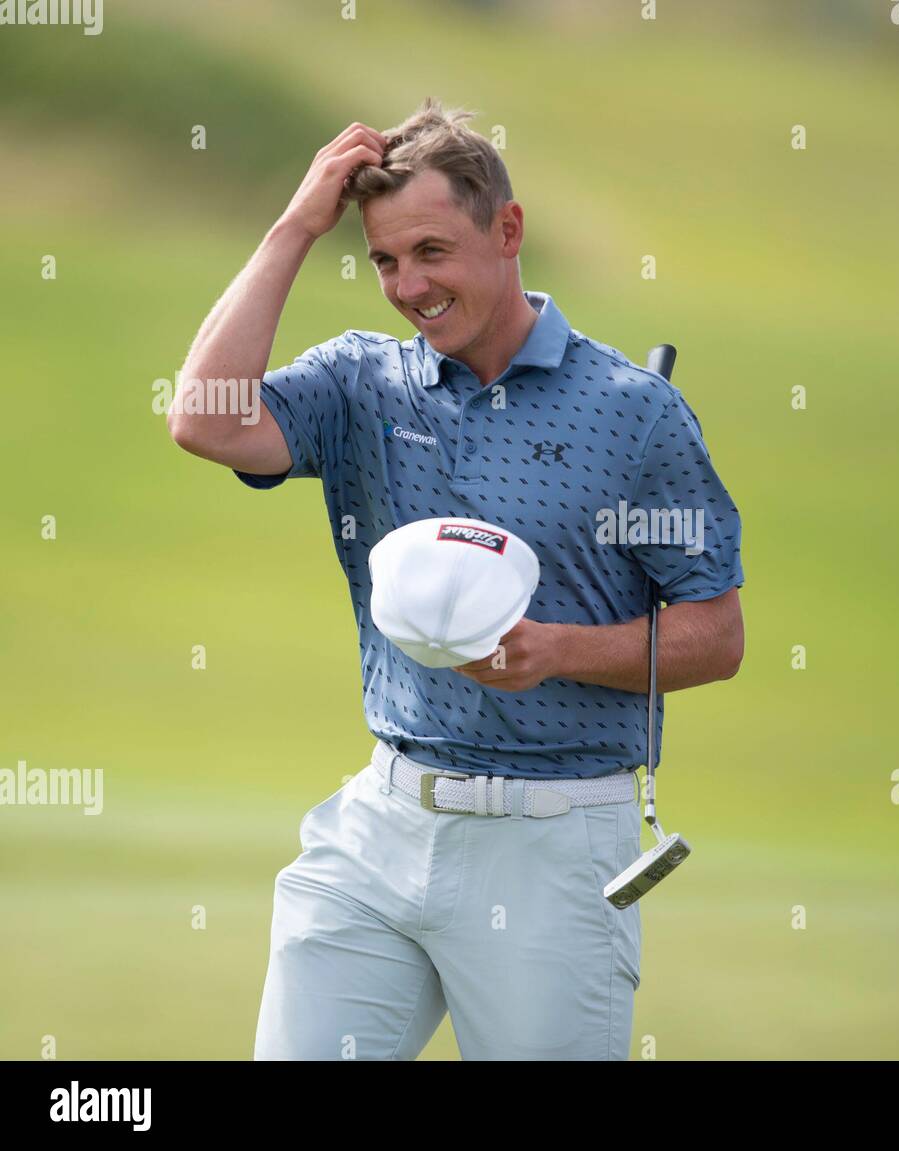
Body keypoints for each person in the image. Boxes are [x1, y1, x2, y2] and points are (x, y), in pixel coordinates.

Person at [166, 98, 745, 1060]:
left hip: (556, 844)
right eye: (385, 260)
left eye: (431, 251)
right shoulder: (362, 383)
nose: (408, 286)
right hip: (380, 821)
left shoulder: (635, 416)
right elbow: (206, 419)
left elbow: (716, 636)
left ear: (507, 230)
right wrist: (294, 225)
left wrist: (552, 651)